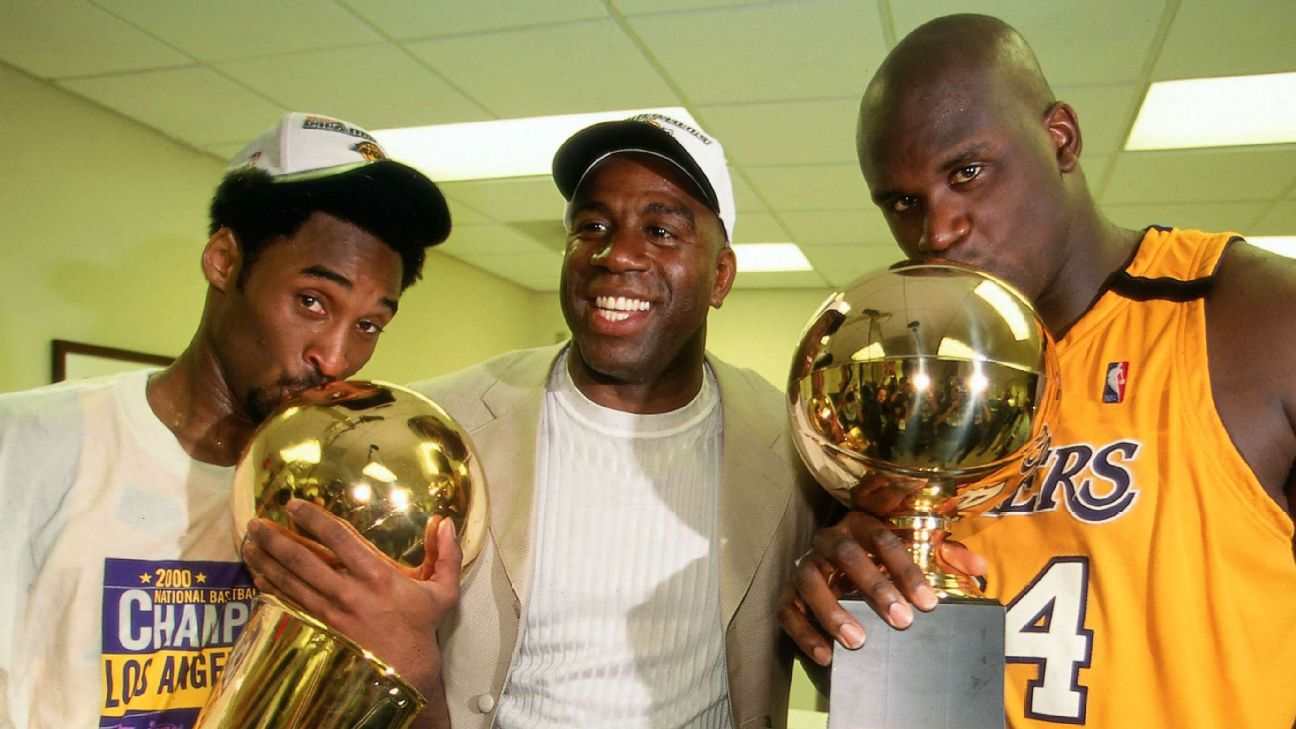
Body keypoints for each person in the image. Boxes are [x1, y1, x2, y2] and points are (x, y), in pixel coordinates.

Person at [779, 14, 1296, 729]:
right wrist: (841, 609)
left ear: (1061, 138)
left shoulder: (1255, 317)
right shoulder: (903, 388)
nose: (937, 231)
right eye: (902, 202)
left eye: (966, 172)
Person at [0, 112, 453, 729]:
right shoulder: (26, 444)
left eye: (369, 324)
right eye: (312, 301)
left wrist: (413, 655)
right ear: (224, 260)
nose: (336, 357)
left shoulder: (345, 505)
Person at [396, 113, 827, 728]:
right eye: (592, 226)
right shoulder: (441, 423)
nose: (616, 253)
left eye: (661, 230)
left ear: (721, 276)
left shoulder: (796, 445)